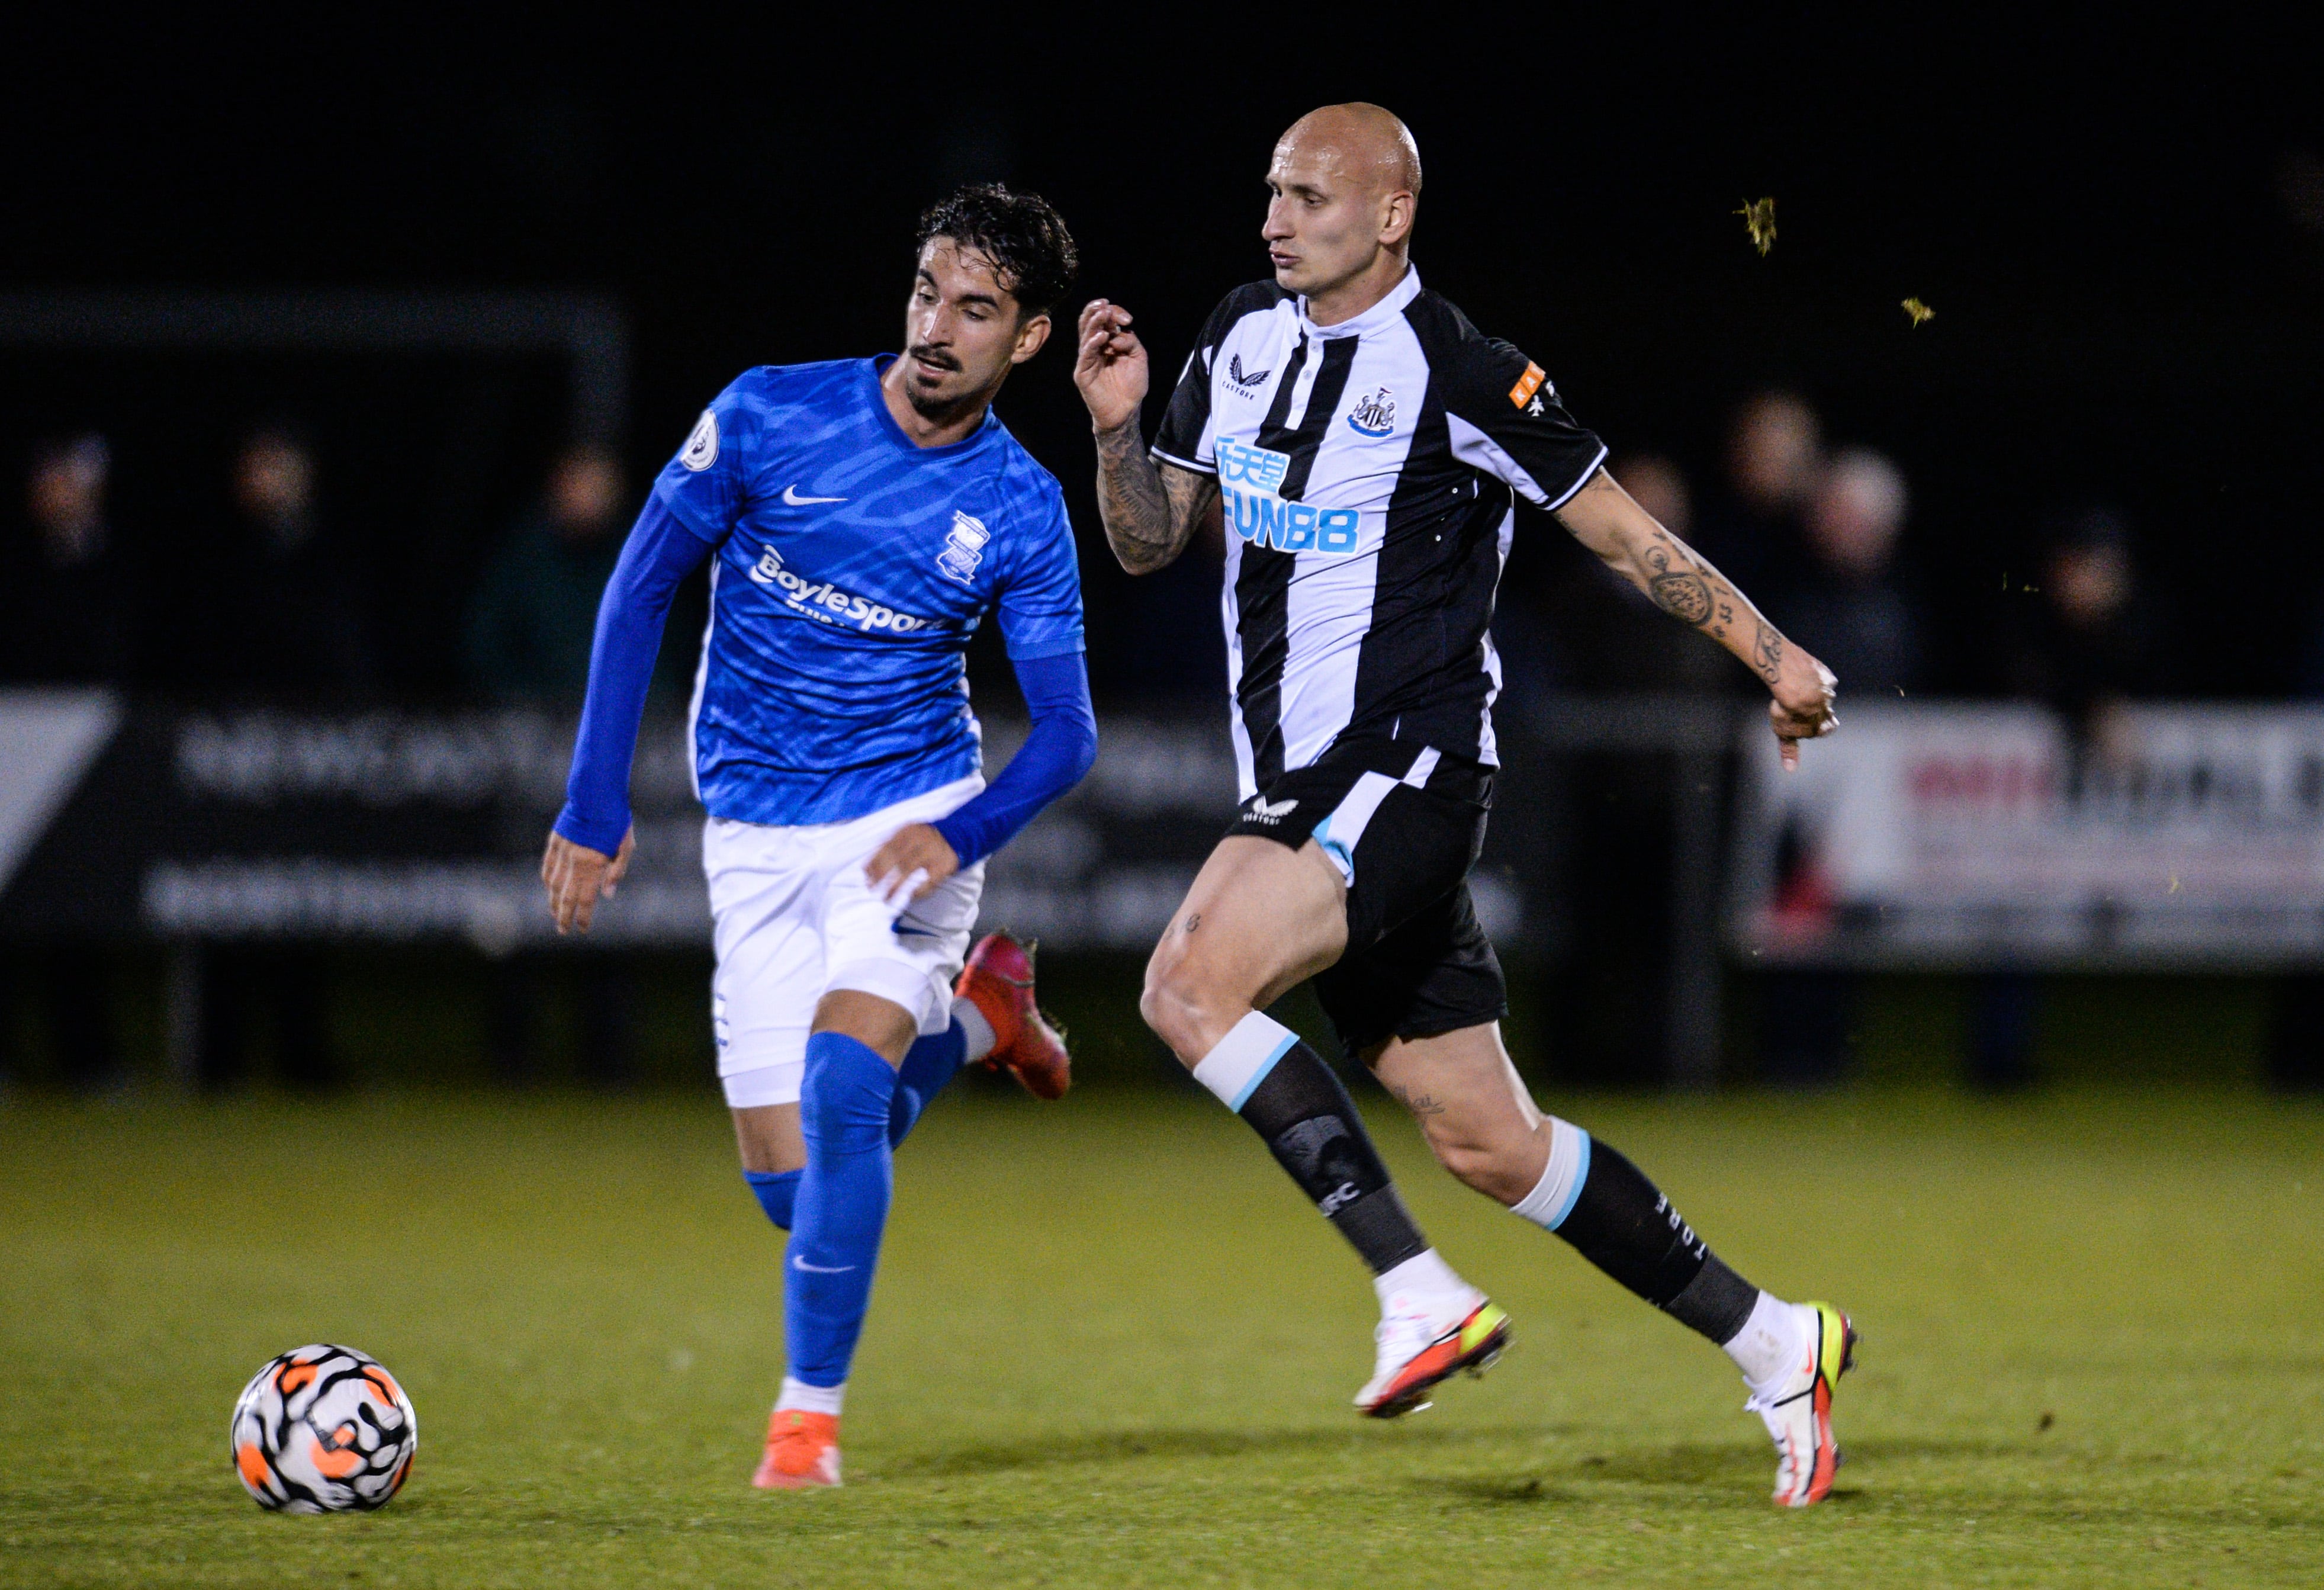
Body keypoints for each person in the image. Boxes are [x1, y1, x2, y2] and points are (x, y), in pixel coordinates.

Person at [1074, 104, 1852, 1508]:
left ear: (1387, 217)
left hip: (1407, 766)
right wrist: (1117, 429)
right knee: (1492, 1142)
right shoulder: (1238, 337)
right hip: (1306, 784)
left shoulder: (1458, 369)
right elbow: (1144, 542)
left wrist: (1775, 658)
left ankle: (1416, 1290)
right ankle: (1773, 1339)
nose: (1272, 218)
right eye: (1268, 191)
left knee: (1185, 983)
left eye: (1306, 195)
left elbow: (1626, 537)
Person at [542, 184, 1098, 1491]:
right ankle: (980, 1021)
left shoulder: (1018, 507)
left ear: (1026, 339)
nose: (937, 329)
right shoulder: (767, 410)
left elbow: (1068, 734)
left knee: (848, 1094)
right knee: (796, 1203)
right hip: (750, 832)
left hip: (907, 823)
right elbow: (638, 585)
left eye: (975, 310)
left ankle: (806, 1423)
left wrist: (962, 832)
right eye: (926, 294)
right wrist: (594, 798)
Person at [467, 444, 655, 1087]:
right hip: (532, 757)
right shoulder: (526, 559)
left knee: (612, 902)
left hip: (615, 759)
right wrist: (531, 703)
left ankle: (607, 1058)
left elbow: (668, 639)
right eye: (580, 486)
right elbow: (485, 637)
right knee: (522, 907)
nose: (589, 501)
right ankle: (511, 1055)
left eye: (601, 488)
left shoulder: (632, 557)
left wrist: (633, 714)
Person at [1759, 449, 1923, 1085]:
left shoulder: (1901, 595)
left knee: (1843, 923)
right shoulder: (1785, 584)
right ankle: (1785, 1056)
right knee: (1792, 919)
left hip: (1869, 790)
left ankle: (1828, 1055)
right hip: (1797, 780)